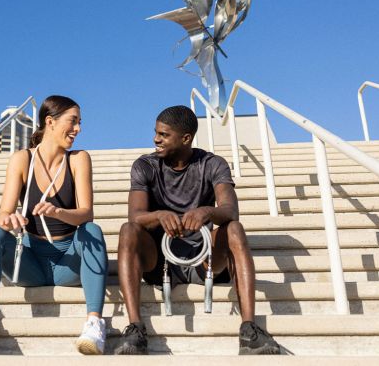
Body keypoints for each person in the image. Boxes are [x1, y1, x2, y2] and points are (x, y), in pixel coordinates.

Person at [114, 105, 281, 355]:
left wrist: (207, 211)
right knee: (128, 229)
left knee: (234, 228)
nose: (155, 139)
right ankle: (136, 330)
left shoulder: (212, 164)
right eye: (156, 133)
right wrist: (159, 215)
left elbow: (230, 210)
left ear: (186, 138)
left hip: (206, 260)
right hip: (160, 262)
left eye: (163, 135)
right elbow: (135, 216)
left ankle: (249, 329)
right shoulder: (145, 165)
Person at [0, 95, 109, 355]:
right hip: (29, 263)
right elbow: (3, 214)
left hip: (68, 262)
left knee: (92, 231)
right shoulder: (22, 159)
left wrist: (60, 212)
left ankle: (95, 324)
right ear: (50, 122)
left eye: (79, 122)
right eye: (73, 121)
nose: (78, 129)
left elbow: (87, 214)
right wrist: (11, 219)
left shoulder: (78, 159)